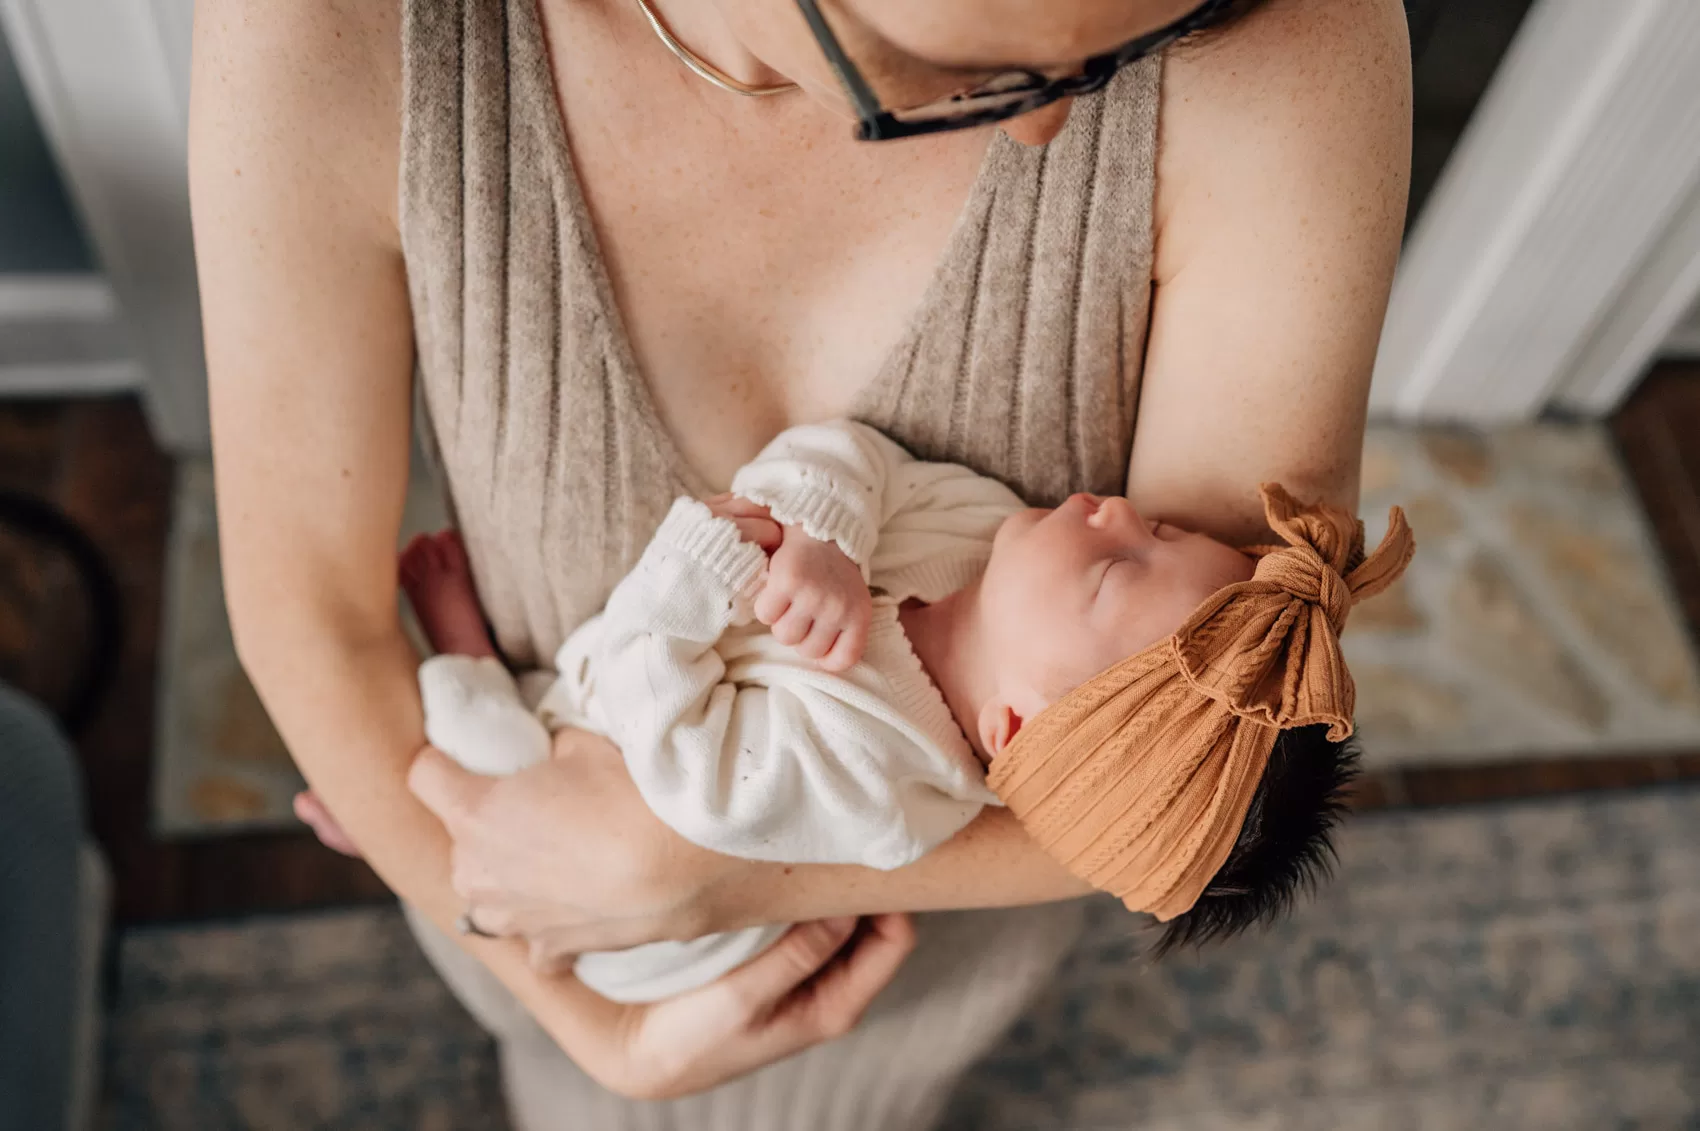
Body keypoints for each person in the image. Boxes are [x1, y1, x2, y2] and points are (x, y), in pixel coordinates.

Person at [190, 0, 1411, 1122]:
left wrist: (721, 879)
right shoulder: (331, 34)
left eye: (1128, 34)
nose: (1051, 125)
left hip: (889, 974)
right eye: (982, 59)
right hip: (541, 923)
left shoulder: (1290, 47)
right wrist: (589, 1023)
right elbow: (309, 618)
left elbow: (1187, 773)